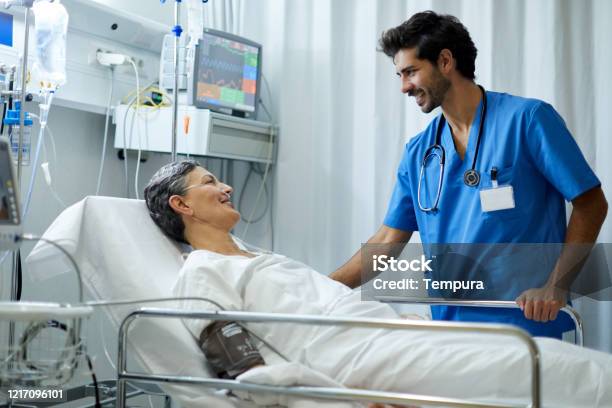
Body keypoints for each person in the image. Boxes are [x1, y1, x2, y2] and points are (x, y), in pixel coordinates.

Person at [142, 161, 612, 407]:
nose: (225, 187)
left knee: (542, 361)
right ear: (182, 207)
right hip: (359, 354)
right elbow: (224, 344)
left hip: (388, 332)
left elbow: (321, 295)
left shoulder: (258, 256)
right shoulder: (202, 269)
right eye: (209, 182)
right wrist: (278, 388)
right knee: (548, 370)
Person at [329, 11, 608, 339]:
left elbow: (592, 204)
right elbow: (387, 241)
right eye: (400, 75)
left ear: (445, 61)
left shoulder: (528, 120)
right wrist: (318, 289)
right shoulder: (419, 152)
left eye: (411, 72)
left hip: (527, 329)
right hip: (450, 332)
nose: (404, 86)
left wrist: (556, 286)